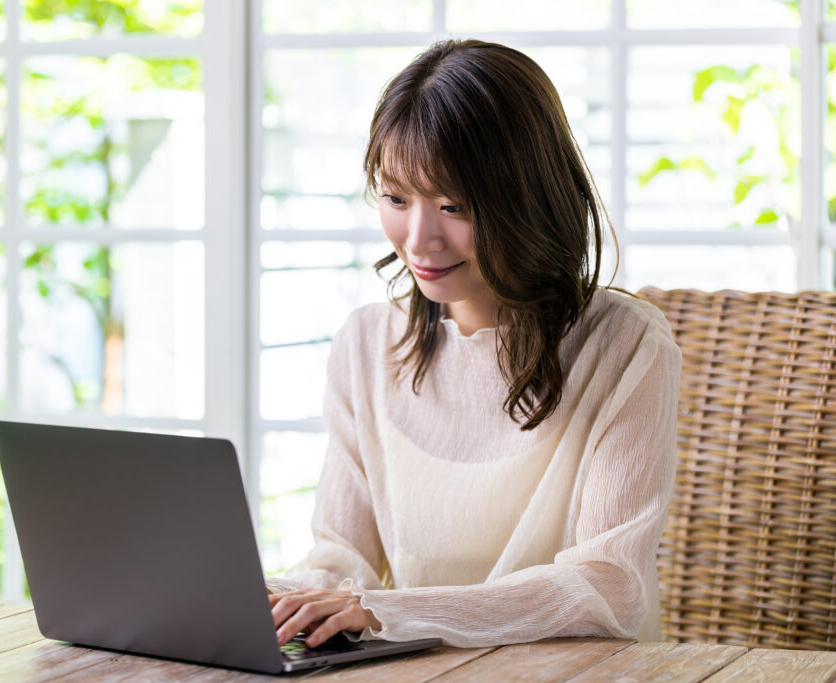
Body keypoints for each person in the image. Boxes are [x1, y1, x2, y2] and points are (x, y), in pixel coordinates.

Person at [266, 39, 681, 650]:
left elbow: (607, 587)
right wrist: (286, 597)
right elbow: (342, 560)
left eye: (454, 205)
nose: (419, 239)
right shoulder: (365, 344)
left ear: (528, 196)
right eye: (395, 197)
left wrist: (386, 612)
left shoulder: (624, 344)